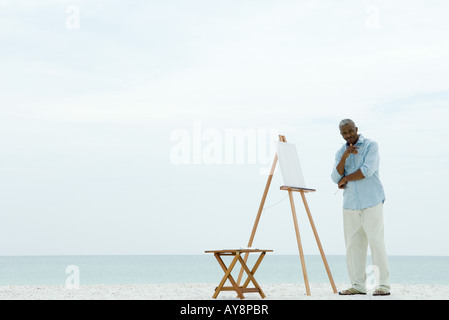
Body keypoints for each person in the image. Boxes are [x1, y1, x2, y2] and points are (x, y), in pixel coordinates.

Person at [331, 119, 390, 296]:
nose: (348, 135)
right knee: (353, 245)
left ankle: (383, 286)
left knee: (376, 242)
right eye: (344, 133)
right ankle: (358, 285)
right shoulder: (341, 151)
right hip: (350, 205)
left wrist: (346, 178)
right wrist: (344, 157)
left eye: (350, 131)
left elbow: (367, 170)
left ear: (356, 129)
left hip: (372, 201)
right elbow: (335, 176)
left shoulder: (371, 145)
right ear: (341, 134)